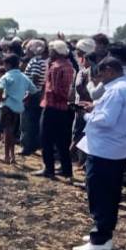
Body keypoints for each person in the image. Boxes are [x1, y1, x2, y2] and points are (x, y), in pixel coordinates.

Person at [71, 57, 126, 250]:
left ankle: (100, 239)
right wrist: (95, 108)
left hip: (103, 148)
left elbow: (106, 120)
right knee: (110, 195)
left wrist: (86, 115)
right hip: (116, 148)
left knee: (99, 195)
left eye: (102, 74)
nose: (101, 79)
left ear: (110, 70)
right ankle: (104, 233)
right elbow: (114, 115)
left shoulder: (115, 90)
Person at [35, 40, 75, 180]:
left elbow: (55, 90)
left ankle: (49, 169)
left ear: (56, 52)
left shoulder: (55, 67)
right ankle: (67, 170)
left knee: (46, 139)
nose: (49, 52)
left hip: (51, 107)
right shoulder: (69, 66)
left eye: (51, 50)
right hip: (64, 108)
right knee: (63, 141)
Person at [0, 54, 38, 165]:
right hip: (18, 108)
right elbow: (33, 90)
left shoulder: (6, 76)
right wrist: (24, 98)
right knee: (12, 132)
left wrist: (0, 99)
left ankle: (6, 156)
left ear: (8, 65)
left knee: (6, 132)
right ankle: (12, 156)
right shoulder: (24, 77)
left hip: (7, 106)